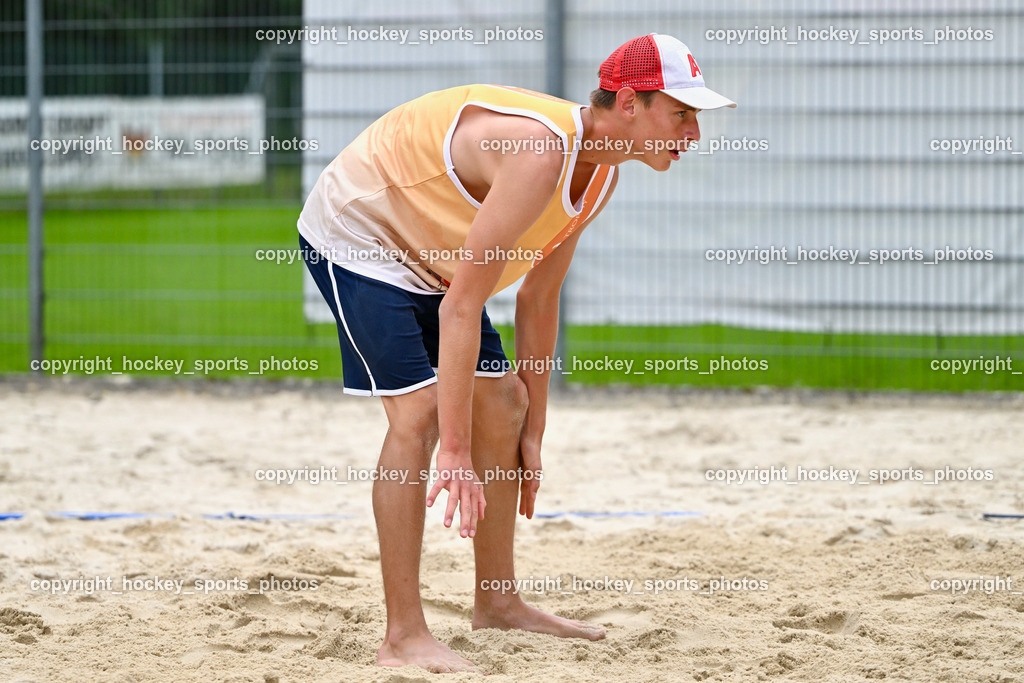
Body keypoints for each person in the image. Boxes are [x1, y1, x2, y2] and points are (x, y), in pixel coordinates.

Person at [298, 33, 735, 673]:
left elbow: (537, 300)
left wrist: (533, 431)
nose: (693, 134)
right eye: (682, 113)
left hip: (430, 244)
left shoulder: (600, 175)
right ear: (628, 103)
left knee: (502, 405)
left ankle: (498, 603)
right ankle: (402, 636)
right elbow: (461, 308)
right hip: (361, 232)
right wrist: (454, 448)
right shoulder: (539, 155)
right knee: (417, 420)